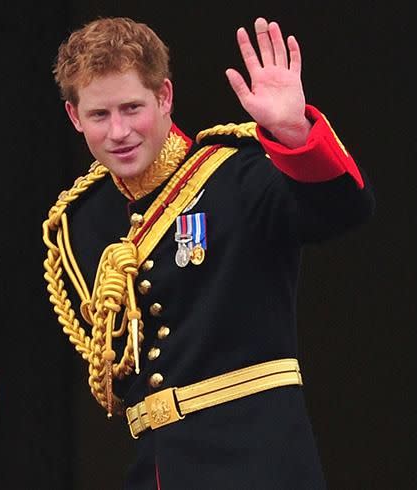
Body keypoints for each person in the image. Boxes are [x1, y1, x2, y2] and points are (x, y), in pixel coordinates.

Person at [42, 16, 374, 489]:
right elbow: (119, 376)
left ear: (164, 98)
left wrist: (295, 134)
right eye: (100, 115)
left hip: (259, 463)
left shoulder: (235, 176)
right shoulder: (81, 224)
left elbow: (344, 209)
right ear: (75, 117)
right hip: (157, 470)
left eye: (132, 108)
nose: (118, 131)